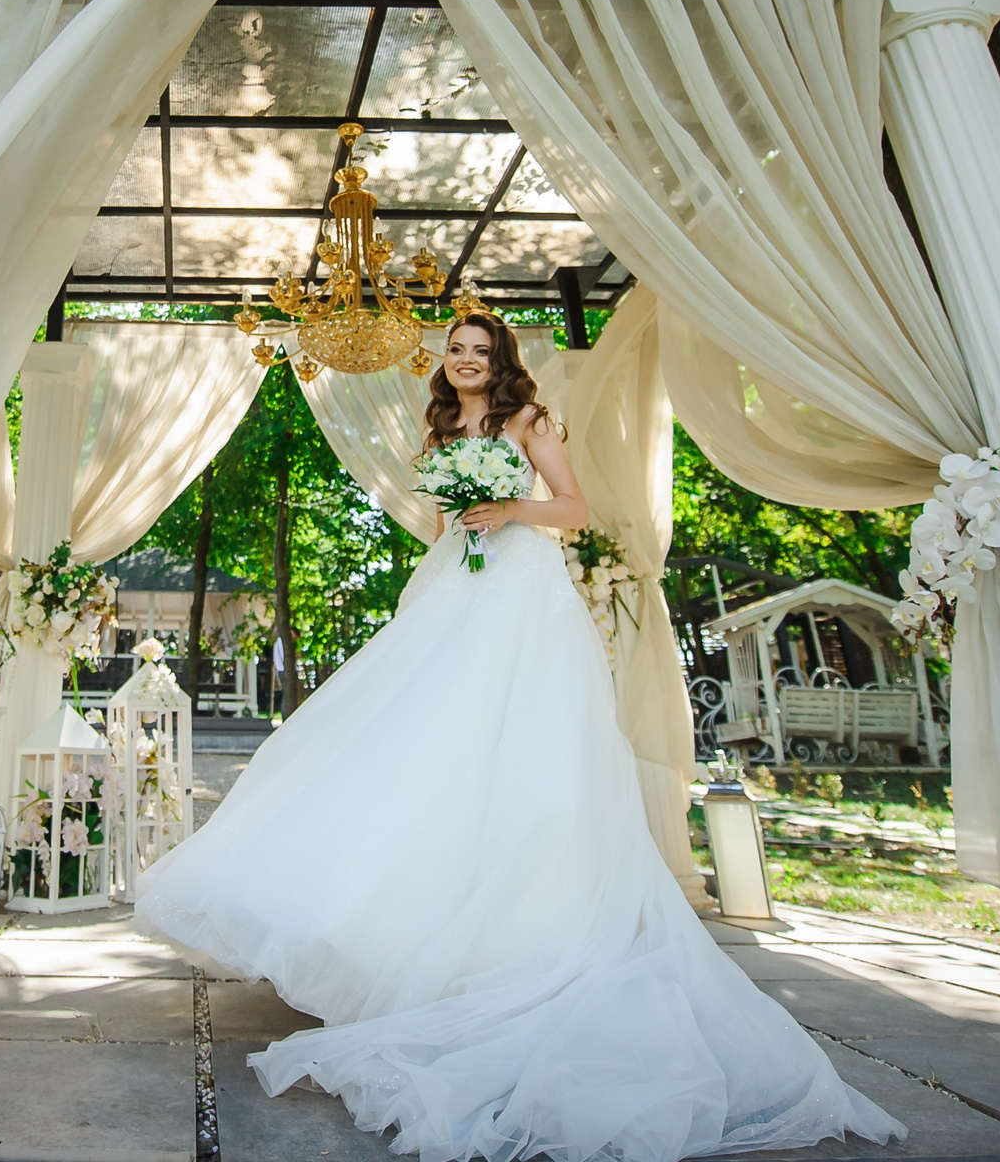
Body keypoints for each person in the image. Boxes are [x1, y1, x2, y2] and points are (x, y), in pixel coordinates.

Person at [134, 312, 903, 1162]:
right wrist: (448, 556)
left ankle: (520, 935)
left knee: (524, 751)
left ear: (501, 361)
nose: (466, 361)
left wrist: (508, 508)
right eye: (456, 350)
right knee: (427, 747)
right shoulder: (440, 427)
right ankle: (414, 930)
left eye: (480, 350)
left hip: (524, 596)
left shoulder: (529, 420)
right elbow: (443, 524)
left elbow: (573, 508)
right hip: (458, 592)